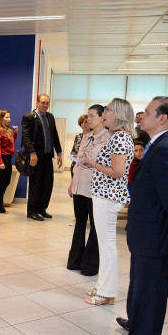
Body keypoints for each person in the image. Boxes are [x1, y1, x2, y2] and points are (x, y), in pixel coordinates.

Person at [111, 96, 168, 335]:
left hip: (156, 235)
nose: (141, 116)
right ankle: (137, 325)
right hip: (147, 233)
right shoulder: (159, 144)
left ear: (162, 118)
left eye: (148, 112)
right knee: (140, 287)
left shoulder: (167, 149)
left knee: (150, 292)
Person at [81, 98, 134, 306]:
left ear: (118, 115)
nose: (103, 114)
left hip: (108, 196)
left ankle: (106, 292)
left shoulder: (120, 138)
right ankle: (103, 287)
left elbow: (117, 171)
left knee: (107, 246)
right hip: (105, 195)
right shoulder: (118, 136)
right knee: (105, 245)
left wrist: (93, 164)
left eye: (107, 110)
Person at [66, 105, 109, 276]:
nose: (88, 119)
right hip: (79, 185)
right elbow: (78, 162)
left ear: (102, 117)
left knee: (95, 226)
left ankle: (89, 264)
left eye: (92, 116)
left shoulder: (108, 138)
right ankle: (75, 260)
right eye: (87, 116)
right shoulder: (86, 136)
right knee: (80, 223)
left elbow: (109, 167)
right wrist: (72, 183)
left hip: (95, 188)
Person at [21, 94, 63, 221]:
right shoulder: (29, 117)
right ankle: (32, 211)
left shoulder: (50, 117)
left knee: (47, 184)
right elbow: (25, 137)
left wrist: (59, 153)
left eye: (47, 103)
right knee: (35, 184)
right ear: (37, 103)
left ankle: (41, 209)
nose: (45, 105)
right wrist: (32, 153)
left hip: (48, 156)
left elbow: (55, 135)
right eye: (43, 102)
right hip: (36, 157)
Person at [0, 109, 18, 213]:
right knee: (2, 182)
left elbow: (11, 142)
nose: (9, 119)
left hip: (8, 157)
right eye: (7, 117)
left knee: (6, 181)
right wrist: (0, 161)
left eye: (9, 117)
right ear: (1, 118)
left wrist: (15, 133)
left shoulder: (7, 129)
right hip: (1, 157)